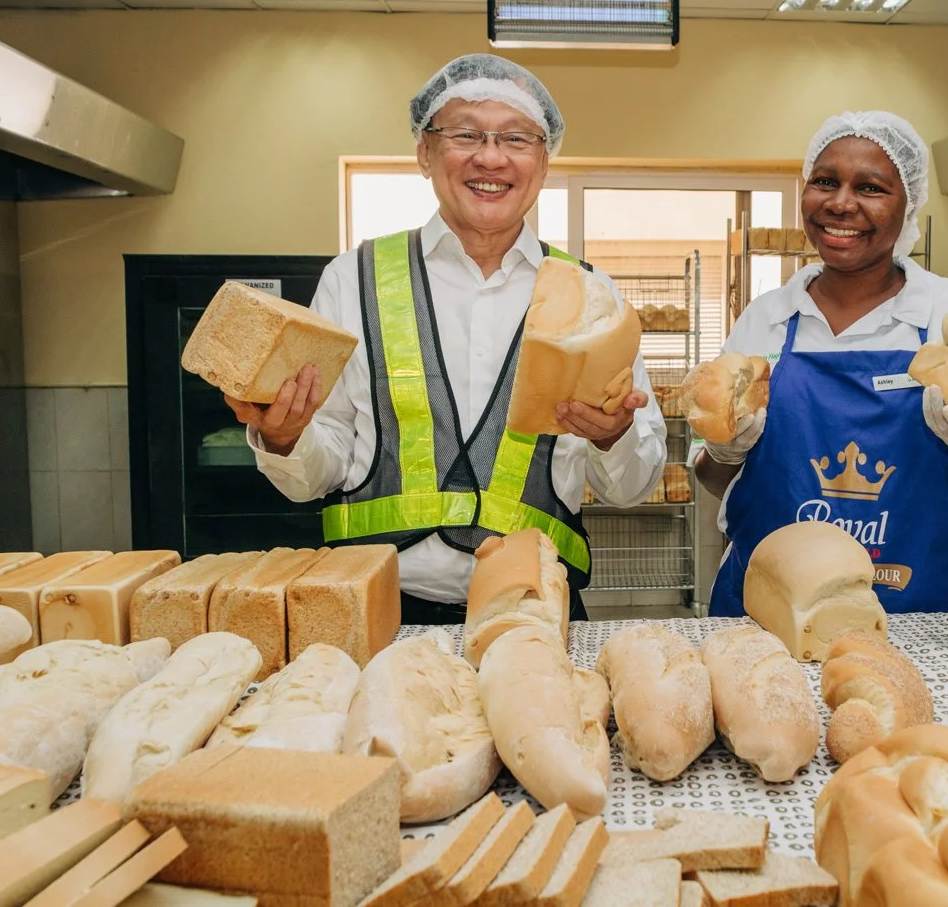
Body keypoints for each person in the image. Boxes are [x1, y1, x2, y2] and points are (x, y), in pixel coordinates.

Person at [225, 54, 667, 624]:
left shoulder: (592, 297)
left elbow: (632, 487)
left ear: (543, 160)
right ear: (424, 154)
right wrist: (285, 439)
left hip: (536, 612)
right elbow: (321, 466)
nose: (491, 156)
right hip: (373, 612)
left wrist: (613, 439)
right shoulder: (352, 280)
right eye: (465, 134)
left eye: (516, 137)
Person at [694, 111, 948, 616]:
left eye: (871, 188)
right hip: (768, 613)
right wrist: (723, 454)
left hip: (916, 621)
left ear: (909, 205)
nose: (840, 203)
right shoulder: (765, 318)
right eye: (825, 182)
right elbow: (716, 478)